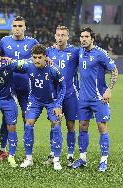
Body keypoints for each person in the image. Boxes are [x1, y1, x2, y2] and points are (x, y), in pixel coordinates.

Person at [72, 27, 118, 172]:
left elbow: (114, 71)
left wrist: (109, 90)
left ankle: (103, 160)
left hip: (99, 98)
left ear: (92, 39)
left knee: (101, 127)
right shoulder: (79, 51)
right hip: (83, 98)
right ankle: (82, 158)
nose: (83, 39)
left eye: (86, 37)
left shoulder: (100, 53)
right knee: (83, 126)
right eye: (81, 36)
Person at [0, 16, 39, 161]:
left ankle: (28, 155)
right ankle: (3, 150)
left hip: (28, 88)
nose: (17, 28)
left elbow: (39, 58)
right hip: (9, 87)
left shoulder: (33, 42)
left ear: (25, 27)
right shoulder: (4, 41)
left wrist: (16, 62)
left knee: (28, 120)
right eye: (15, 25)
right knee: (6, 120)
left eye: (20, 25)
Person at [19, 44, 66, 171]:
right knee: (28, 124)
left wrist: (58, 104)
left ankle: (56, 159)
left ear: (45, 57)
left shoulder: (53, 69)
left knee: (56, 125)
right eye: (35, 57)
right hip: (34, 100)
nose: (37, 60)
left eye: (40, 57)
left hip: (52, 101)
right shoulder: (28, 65)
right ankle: (28, 159)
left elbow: (63, 86)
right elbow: (13, 64)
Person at [45, 26, 79, 166]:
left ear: (67, 37)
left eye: (63, 35)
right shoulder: (49, 51)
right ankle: (53, 153)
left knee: (70, 125)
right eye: (58, 35)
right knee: (55, 124)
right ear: (55, 36)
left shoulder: (75, 52)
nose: (60, 37)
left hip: (70, 94)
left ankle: (70, 155)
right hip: (54, 95)